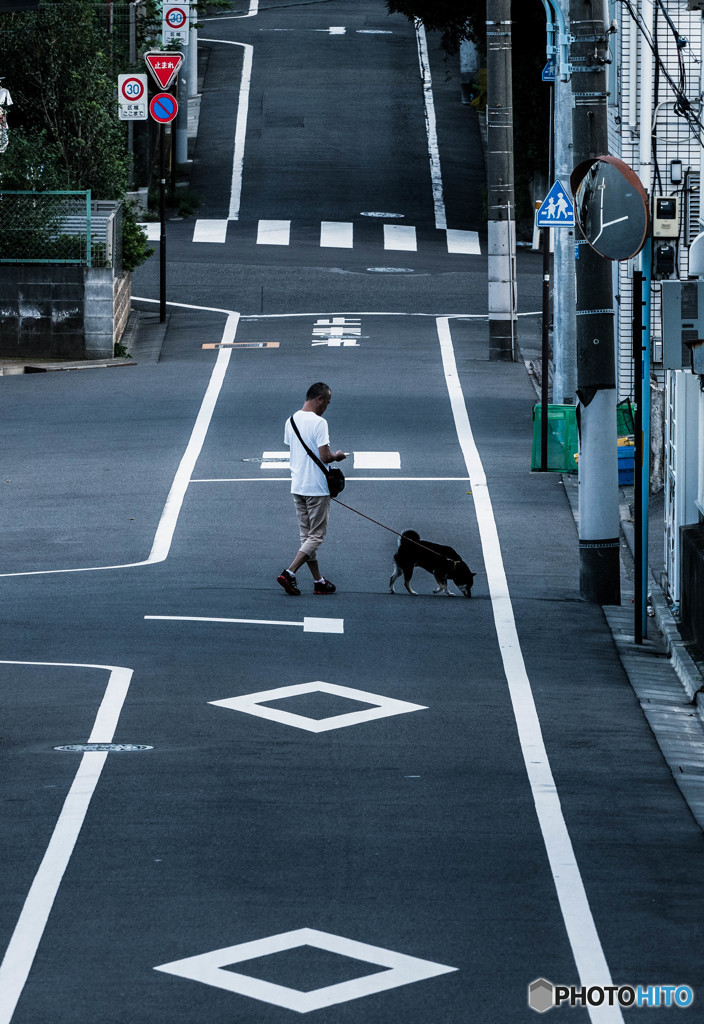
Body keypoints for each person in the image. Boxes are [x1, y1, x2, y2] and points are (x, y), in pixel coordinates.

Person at [277, 382, 347, 595]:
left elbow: (295, 449)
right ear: (319, 399)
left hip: (297, 486)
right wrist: (338, 456)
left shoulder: (290, 421)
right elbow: (325, 456)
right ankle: (290, 572)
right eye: (327, 402)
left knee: (307, 537)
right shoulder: (320, 423)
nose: (327, 406)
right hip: (316, 487)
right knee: (316, 537)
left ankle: (319, 582)